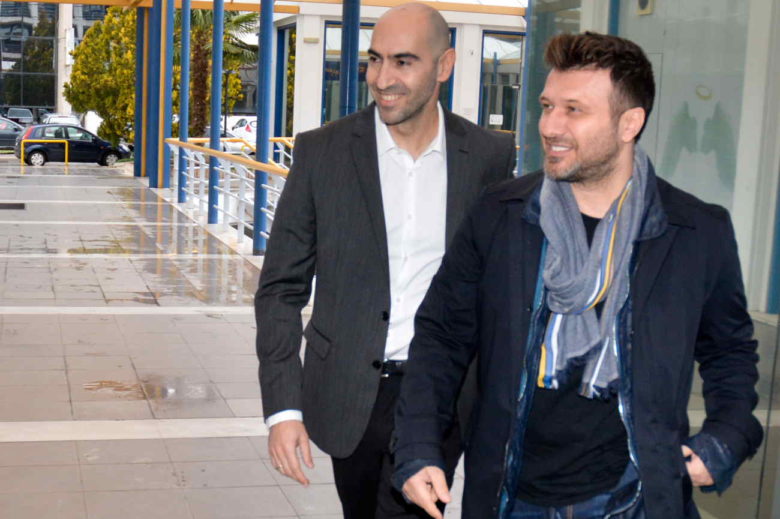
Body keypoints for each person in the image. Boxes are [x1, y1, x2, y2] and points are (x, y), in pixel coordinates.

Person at [392, 32, 763, 519]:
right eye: (548, 107)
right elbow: (442, 336)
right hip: (510, 495)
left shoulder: (694, 232)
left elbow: (729, 351)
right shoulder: (501, 215)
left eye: (574, 110)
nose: (551, 126)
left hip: (634, 498)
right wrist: (417, 446)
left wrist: (726, 437)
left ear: (629, 123)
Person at [254, 3, 516, 518]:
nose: (381, 78)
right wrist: (283, 409)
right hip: (349, 390)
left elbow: (501, 284)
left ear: (444, 66)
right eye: (375, 60)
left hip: (441, 394)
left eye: (403, 61)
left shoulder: (488, 157)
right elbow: (281, 288)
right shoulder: (322, 153)